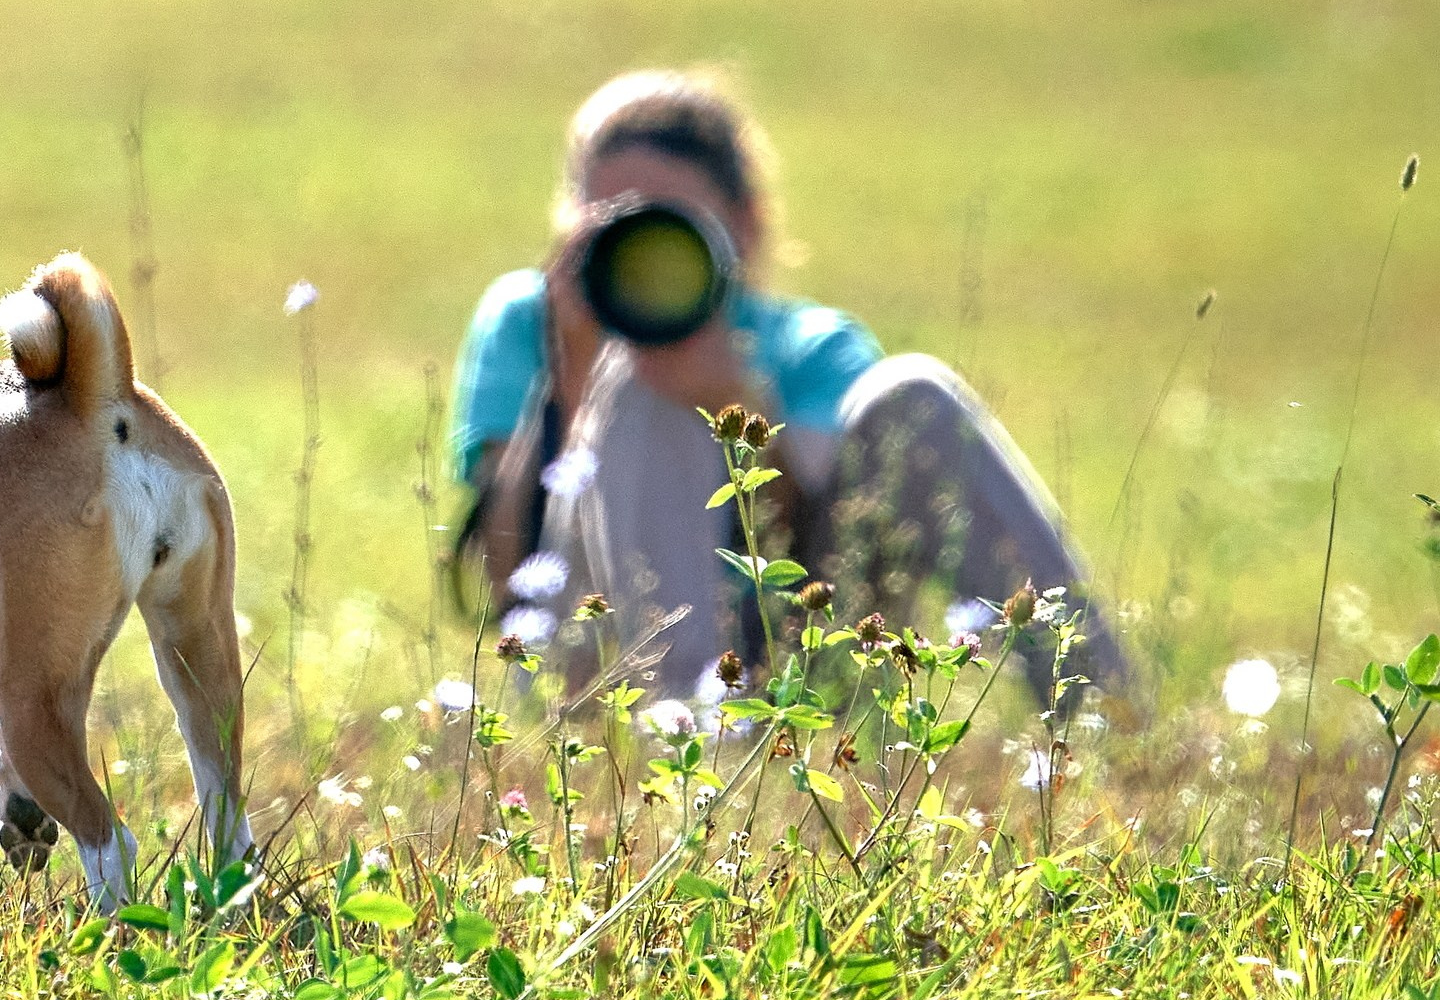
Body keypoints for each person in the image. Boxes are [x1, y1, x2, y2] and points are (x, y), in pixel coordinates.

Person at [450, 68, 1129, 708]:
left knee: (913, 393)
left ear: (744, 226)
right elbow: (507, 581)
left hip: (796, 671)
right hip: (597, 680)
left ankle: (1104, 710)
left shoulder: (812, 346)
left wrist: (735, 406)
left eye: (669, 221)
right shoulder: (527, 320)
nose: (642, 245)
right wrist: (572, 377)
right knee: (633, 377)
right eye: (611, 220)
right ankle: (682, 741)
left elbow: (817, 557)